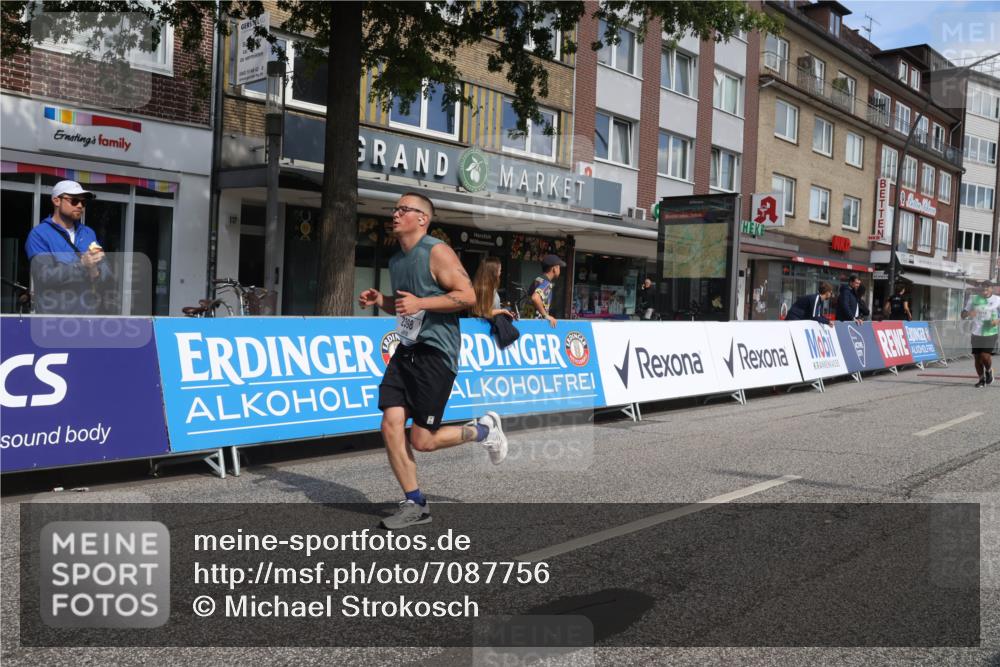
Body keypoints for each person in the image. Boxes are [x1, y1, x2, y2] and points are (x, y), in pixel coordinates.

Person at [358, 193, 508, 530]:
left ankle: (483, 430)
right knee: (390, 422)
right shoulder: (398, 260)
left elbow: (468, 296)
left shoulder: (436, 251)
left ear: (422, 219)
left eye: (403, 209)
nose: (395, 214)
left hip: (436, 354)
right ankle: (415, 502)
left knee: (422, 441)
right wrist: (383, 300)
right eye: (394, 208)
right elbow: (405, 305)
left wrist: (421, 302)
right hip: (406, 350)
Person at [25, 180, 109, 314]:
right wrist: (81, 265)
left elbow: (106, 272)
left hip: (87, 319)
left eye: (83, 202)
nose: (80, 206)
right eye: (74, 201)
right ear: (56, 201)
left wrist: (95, 271)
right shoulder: (39, 235)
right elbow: (44, 277)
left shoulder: (88, 233)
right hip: (54, 321)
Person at [961, 281, 1000, 388]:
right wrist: (969, 313)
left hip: (990, 332)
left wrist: (997, 321)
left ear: (992, 289)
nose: (985, 291)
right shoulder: (973, 299)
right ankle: (981, 380)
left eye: (987, 289)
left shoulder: (997, 300)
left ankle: (988, 370)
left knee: (985, 356)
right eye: (983, 289)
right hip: (976, 332)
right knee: (977, 358)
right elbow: (962, 315)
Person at [530, 254, 565, 328]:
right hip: (537, 324)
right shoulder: (546, 283)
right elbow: (535, 298)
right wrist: (546, 315)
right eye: (559, 267)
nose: (559, 270)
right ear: (554, 269)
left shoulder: (537, 280)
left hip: (528, 321)